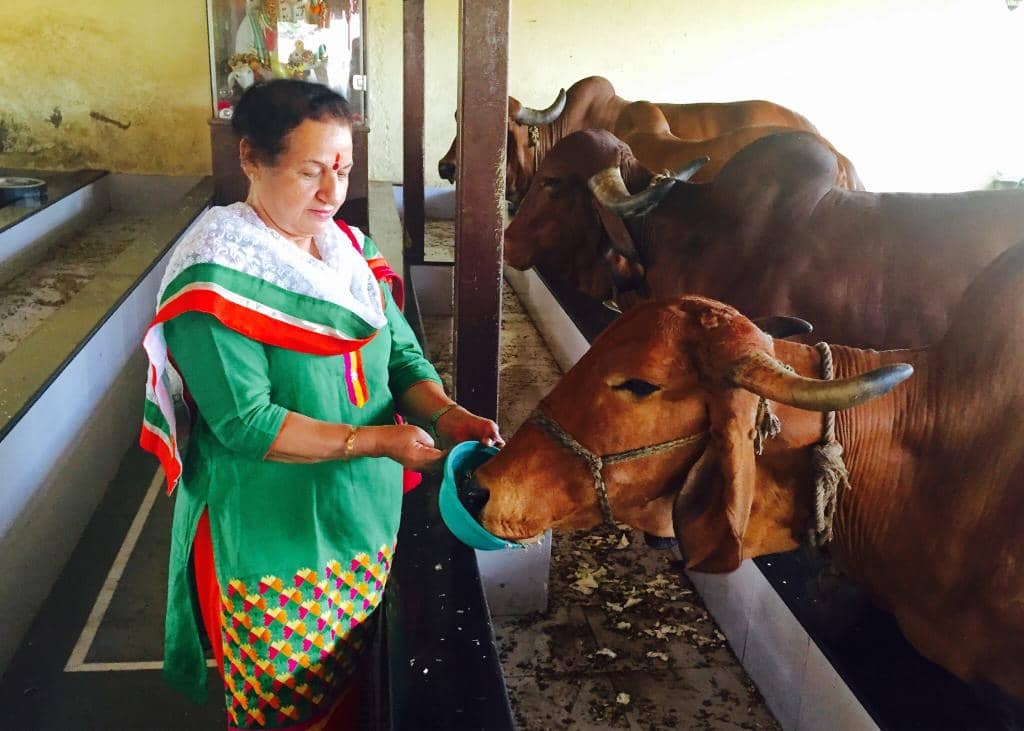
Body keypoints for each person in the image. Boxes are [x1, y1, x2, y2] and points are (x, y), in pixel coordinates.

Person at [140, 79, 503, 730]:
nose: (332, 191)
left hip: (364, 518)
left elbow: (401, 358)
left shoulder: (352, 255)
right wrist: (379, 441)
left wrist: (447, 415)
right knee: (288, 712)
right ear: (251, 157)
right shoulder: (215, 280)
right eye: (310, 171)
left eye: (343, 169)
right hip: (275, 537)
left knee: (354, 691)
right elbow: (247, 423)